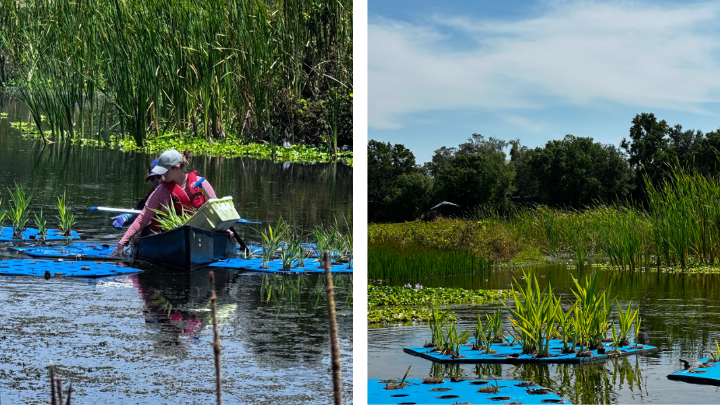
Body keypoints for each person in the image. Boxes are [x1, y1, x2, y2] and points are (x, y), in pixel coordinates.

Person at [111, 149, 217, 256]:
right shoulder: (161, 190)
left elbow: (217, 212)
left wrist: (226, 231)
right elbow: (142, 219)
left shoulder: (201, 183)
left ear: (177, 167)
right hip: (168, 235)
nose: (161, 174)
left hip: (200, 233)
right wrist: (122, 243)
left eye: (164, 170)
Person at [111, 159, 164, 229]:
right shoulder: (150, 197)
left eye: (159, 176)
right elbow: (137, 211)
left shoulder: (175, 191)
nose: (156, 180)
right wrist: (124, 218)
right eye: (152, 178)